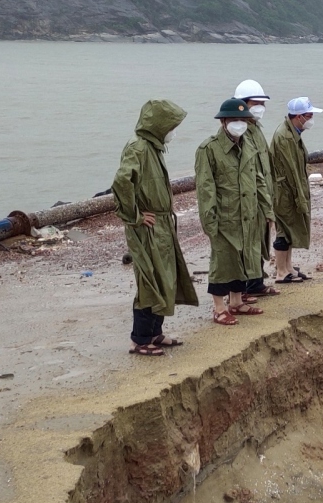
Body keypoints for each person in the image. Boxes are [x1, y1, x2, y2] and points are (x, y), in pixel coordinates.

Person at [112, 99, 197, 355]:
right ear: (158, 125)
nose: (173, 131)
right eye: (171, 125)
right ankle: (140, 340)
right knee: (149, 279)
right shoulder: (138, 148)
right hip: (146, 227)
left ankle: (155, 333)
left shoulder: (153, 148)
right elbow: (121, 181)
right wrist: (135, 216)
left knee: (165, 277)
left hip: (160, 224)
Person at [194, 98, 267, 326]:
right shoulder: (209, 149)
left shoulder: (248, 145)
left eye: (242, 120)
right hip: (224, 215)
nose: (239, 124)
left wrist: (267, 210)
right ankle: (219, 307)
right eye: (234, 119)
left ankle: (236, 301)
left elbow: (258, 180)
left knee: (243, 258)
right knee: (222, 260)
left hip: (248, 213)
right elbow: (205, 188)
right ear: (223, 121)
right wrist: (209, 221)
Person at [234, 79, 279, 299]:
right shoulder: (239, 131)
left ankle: (256, 281)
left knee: (261, 238)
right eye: (256, 103)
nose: (261, 107)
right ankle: (243, 287)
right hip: (249, 197)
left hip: (262, 194)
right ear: (242, 104)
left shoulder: (256, 129)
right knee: (247, 242)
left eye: (263, 103)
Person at [272, 96, 321, 283]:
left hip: (290, 188)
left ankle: (288, 267)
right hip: (285, 191)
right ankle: (281, 271)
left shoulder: (293, 133)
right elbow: (292, 170)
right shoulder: (285, 137)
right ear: (298, 116)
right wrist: (300, 197)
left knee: (291, 229)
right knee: (284, 230)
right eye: (308, 115)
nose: (311, 119)